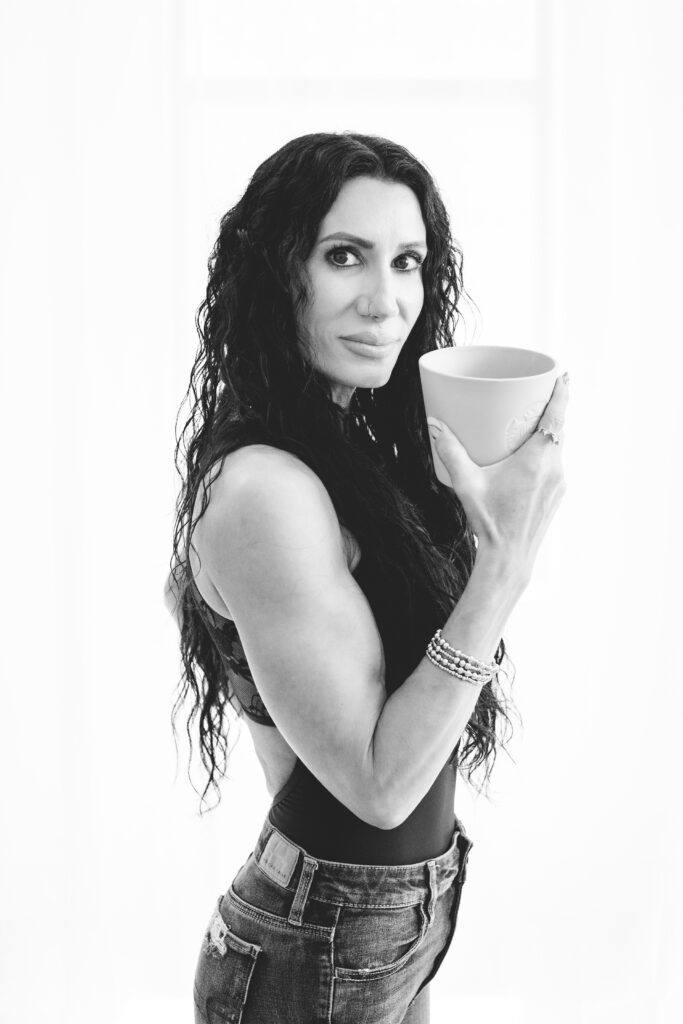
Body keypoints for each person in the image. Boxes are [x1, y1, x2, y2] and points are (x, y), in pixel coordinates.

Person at [166, 131, 569, 1024]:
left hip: (396, 918)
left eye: (407, 262)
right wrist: (503, 563)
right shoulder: (264, 489)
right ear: (275, 272)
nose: (385, 303)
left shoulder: (350, 453)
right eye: (343, 255)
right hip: (316, 939)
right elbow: (379, 789)